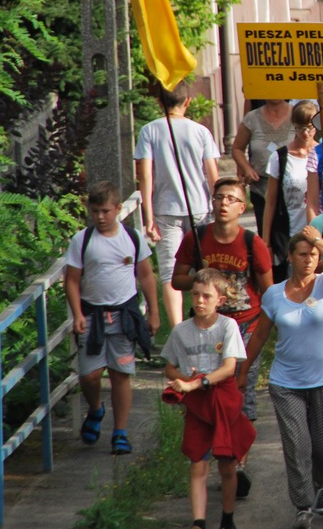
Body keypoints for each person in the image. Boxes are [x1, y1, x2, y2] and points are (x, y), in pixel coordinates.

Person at [239, 227, 323, 529]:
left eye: (313, 255)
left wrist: (318, 241)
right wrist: (243, 371)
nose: (309, 259)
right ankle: (303, 506)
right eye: (302, 254)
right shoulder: (274, 294)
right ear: (289, 257)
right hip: (286, 383)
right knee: (298, 446)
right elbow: (260, 335)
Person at [172, 176, 273, 495]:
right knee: (207, 393)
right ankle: (210, 458)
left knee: (241, 392)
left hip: (244, 325)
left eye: (231, 199)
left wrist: (265, 327)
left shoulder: (252, 243)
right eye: (218, 198)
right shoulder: (196, 237)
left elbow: (268, 291)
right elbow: (176, 280)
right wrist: (200, 279)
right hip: (206, 327)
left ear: (242, 207)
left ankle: (237, 464)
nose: (223, 203)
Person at [162, 268, 254, 529]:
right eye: (195, 295)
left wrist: (197, 382)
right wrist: (182, 378)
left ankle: (227, 522)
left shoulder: (227, 326)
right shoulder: (181, 331)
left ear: (220, 300)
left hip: (222, 400)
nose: (199, 301)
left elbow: (229, 367)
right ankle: (199, 526)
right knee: (198, 463)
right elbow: (169, 367)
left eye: (206, 296)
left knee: (227, 465)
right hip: (197, 403)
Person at [64, 181, 159, 456]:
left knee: (121, 374)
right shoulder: (82, 240)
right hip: (91, 315)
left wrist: (154, 312)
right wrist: (77, 313)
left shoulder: (132, 237)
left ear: (118, 209)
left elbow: (146, 275)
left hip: (124, 316)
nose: (100, 217)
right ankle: (96, 410)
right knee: (90, 376)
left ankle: (120, 432)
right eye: (95, 211)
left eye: (105, 211)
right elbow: (72, 280)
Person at [134, 82, 219, 327]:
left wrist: (148, 217)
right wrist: (219, 208)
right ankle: (206, 324)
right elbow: (212, 175)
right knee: (203, 270)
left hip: (165, 209)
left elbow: (145, 176)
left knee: (171, 274)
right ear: (188, 102)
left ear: (159, 102)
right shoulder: (201, 131)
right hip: (200, 208)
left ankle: (177, 331)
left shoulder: (149, 130)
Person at [262, 100, 317, 282]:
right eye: (300, 127)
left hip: (318, 230)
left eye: (310, 127)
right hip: (288, 231)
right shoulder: (280, 157)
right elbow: (270, 201)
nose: (306, 133)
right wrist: (266, 241)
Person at [232, 98, 295, 232]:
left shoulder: (297, 114)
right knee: (266, 235)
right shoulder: (252, 117)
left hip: (292, 189)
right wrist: (246, 168)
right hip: (261, 187)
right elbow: (237, 148)